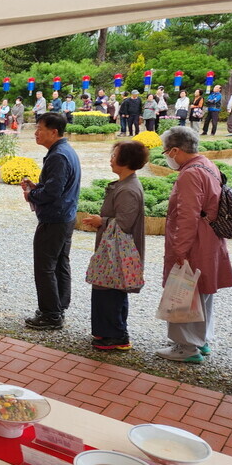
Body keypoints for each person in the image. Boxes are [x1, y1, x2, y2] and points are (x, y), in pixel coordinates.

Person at [157, 126, 232, 362]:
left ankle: (187, 347)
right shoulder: (207, 165)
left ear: (175, 151)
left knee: (184, 293)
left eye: (165, 152)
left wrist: (180, 249)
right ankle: (201, 341)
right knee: (202, 292)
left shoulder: (189, 174)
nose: (166, 156)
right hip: (209, 240)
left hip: (194, 242)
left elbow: (187, 215)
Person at [81, 141, 148, 351]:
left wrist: (102, 222)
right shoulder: (124, 184)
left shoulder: (128, 189)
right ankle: (107, 332)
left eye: (114, 155)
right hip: (112, 248)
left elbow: (124, 224)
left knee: (111, 290)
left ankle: (117, 335)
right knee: (107, 288)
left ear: (125, 161)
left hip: (117, 250)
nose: (111, 159)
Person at [22, 113, 81, 330]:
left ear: (53, 132)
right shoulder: (63, 152)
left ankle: (51, 314)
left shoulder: (58, 155)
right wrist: (37, 186)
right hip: (65, 216)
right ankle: (57, 306)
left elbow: (54, 191)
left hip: (55, 218)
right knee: (60, 263)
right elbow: (57, 186)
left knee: (45, 266)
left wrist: (33, 195)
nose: (36, 133)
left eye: (39, 129)